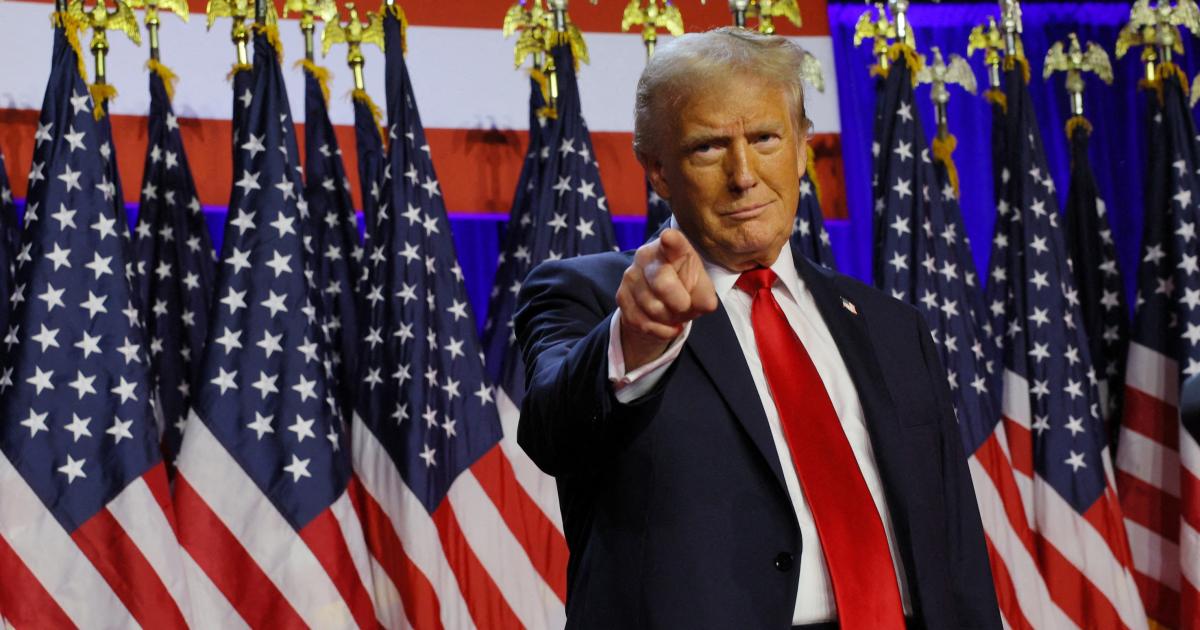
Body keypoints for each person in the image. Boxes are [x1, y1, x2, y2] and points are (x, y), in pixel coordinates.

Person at [514, 27, 1000, 630]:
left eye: (766, 138)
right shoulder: (593, 296)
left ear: (801, 149)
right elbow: (552, 433)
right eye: (708, 148)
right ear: (658, 170)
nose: (743, 174)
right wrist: (636, 339)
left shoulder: (892, 326)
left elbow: (954, 546)